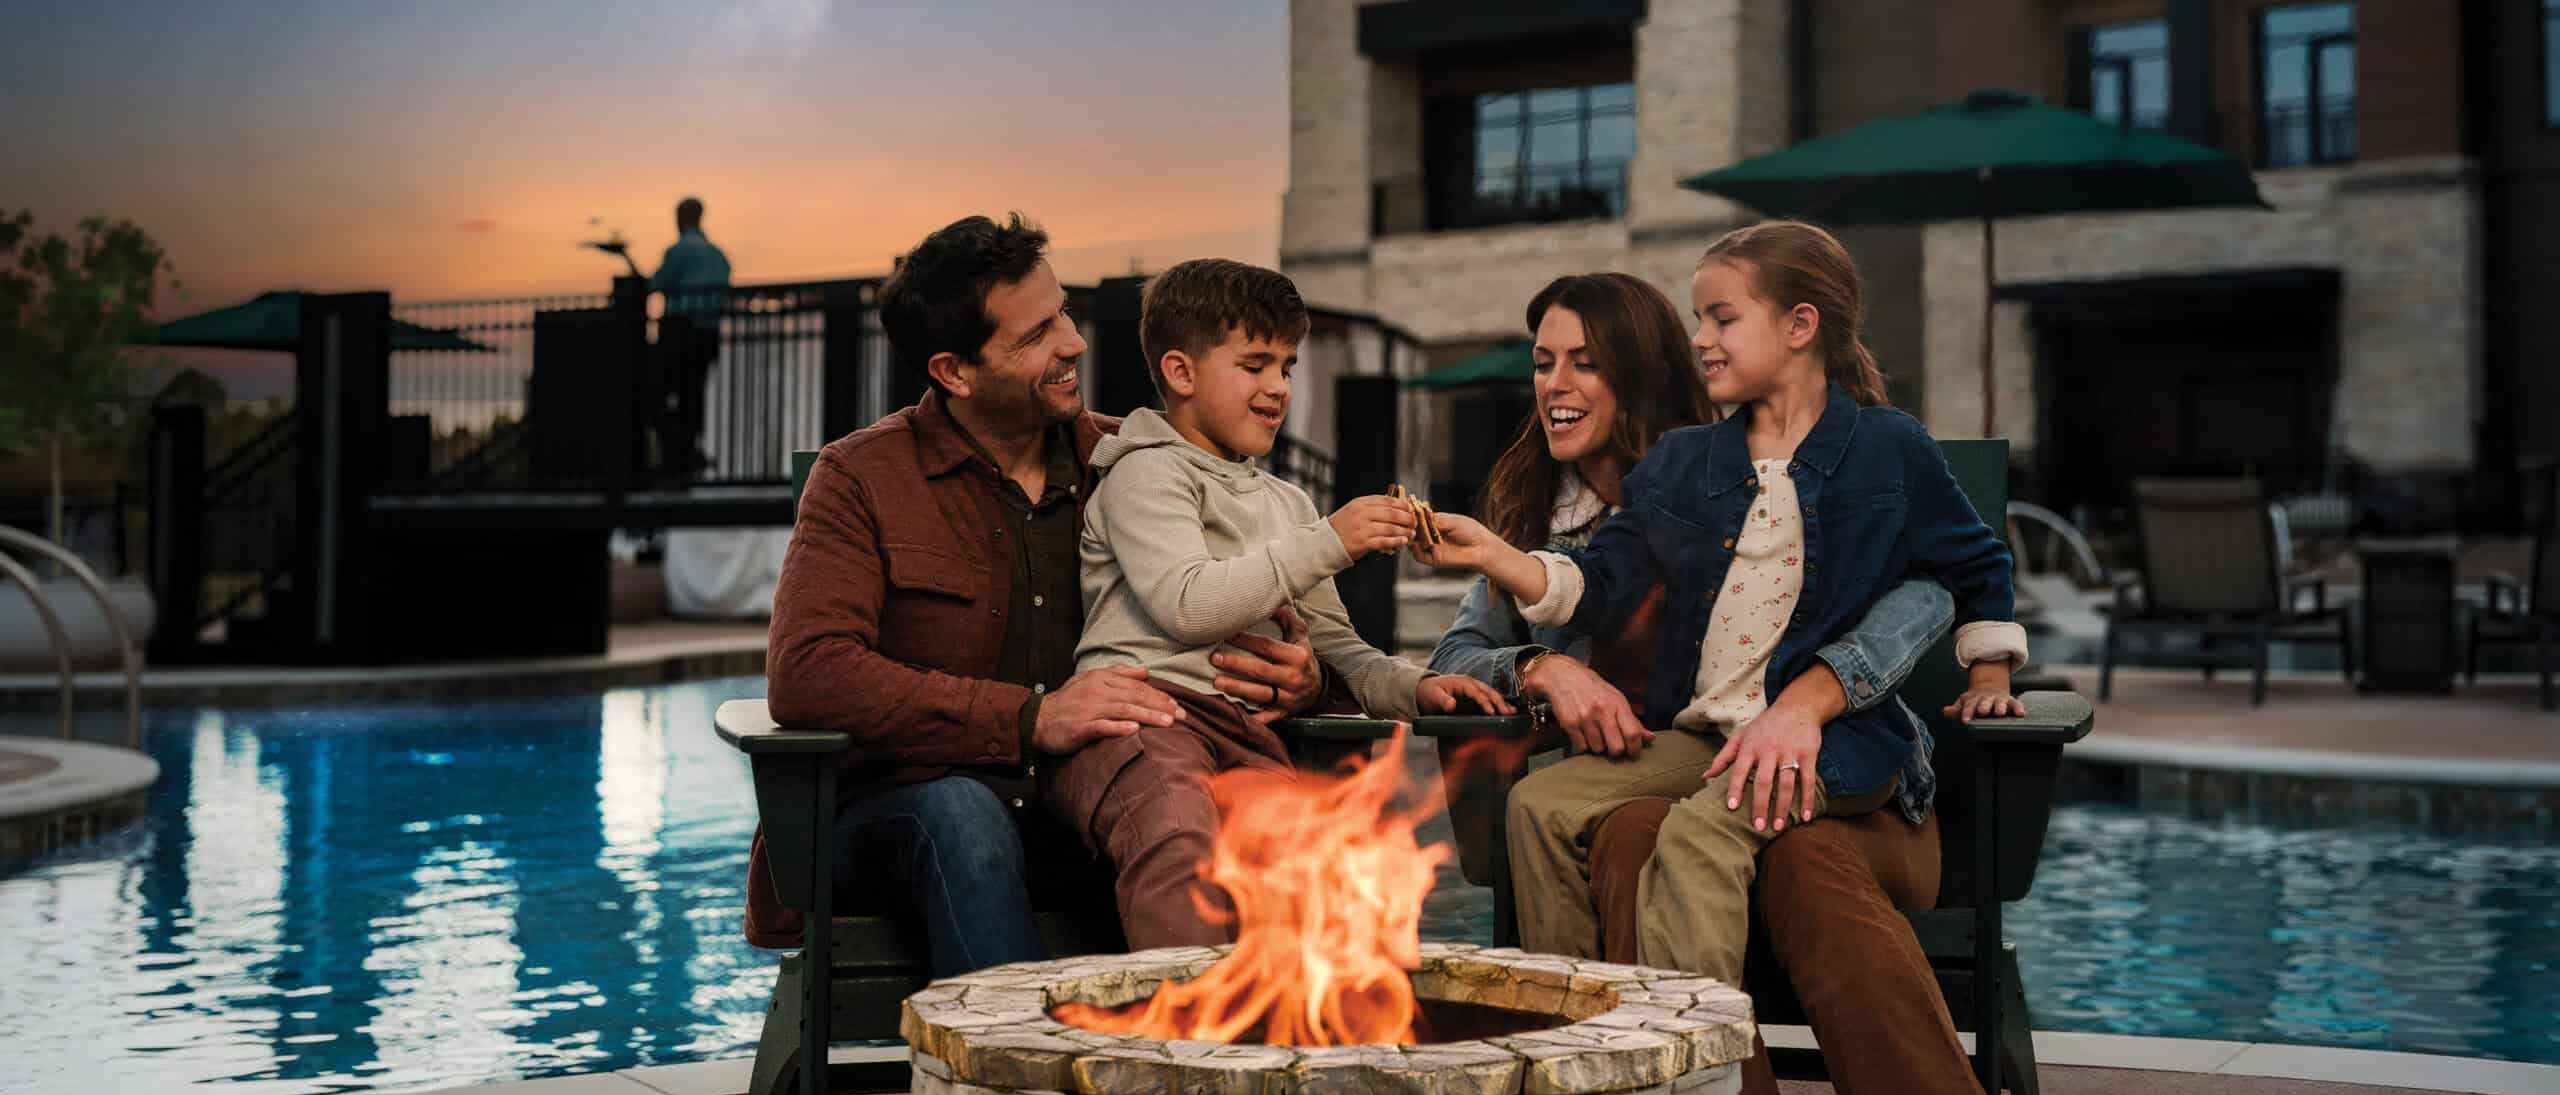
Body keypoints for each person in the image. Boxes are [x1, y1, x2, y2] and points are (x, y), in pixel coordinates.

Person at [1418, 220, 2029, 992]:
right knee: (1537, 806)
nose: (1703, 335)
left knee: (1695, 839)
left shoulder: (1885, 450)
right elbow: (1592, 586)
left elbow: (1965, 568)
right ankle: (1579, 1036)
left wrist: (1991, 673)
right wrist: (1502, 569)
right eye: (1543, 364)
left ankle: (1693, 1062)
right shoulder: (1689, 468)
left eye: (1721, 318)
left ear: (1800, 326)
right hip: (1696, 735)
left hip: (1826, 740)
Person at [747, 215, 1328, 976]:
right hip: (905, 812)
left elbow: (1250, 601)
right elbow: (810, 671)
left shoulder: (1139, 463)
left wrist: (1307, 675)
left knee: (1250, 819)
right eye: (1035, 336)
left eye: (1062, 313)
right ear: (953, 371)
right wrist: (1031, 718)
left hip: (1096, 809)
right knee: (962, 815)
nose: (1072, 344)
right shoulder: (861, 478)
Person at [1063, 258, 1509, 947]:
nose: (1278, 388)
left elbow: (1338, 650)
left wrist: (1417, 686)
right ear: (1181, 373)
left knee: (1321, 862)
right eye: (1255, 364)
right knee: (1179, 841)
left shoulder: (1286, 502)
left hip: (1245, 734)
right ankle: (1189, 1040)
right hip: (1140, 725)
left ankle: (1307, 1035)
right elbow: (1188, 603)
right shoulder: (1144, 472)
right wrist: (1329, 540)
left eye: (1288, 367)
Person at [651, 196, 732, 477]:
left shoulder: (678, 251)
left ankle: (673, 454)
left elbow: (658, 283)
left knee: (657, 391)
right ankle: (688, 450)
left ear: (680, 218)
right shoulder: (718, 255)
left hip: (678, 331)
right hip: (707, 334)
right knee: (693, 394)